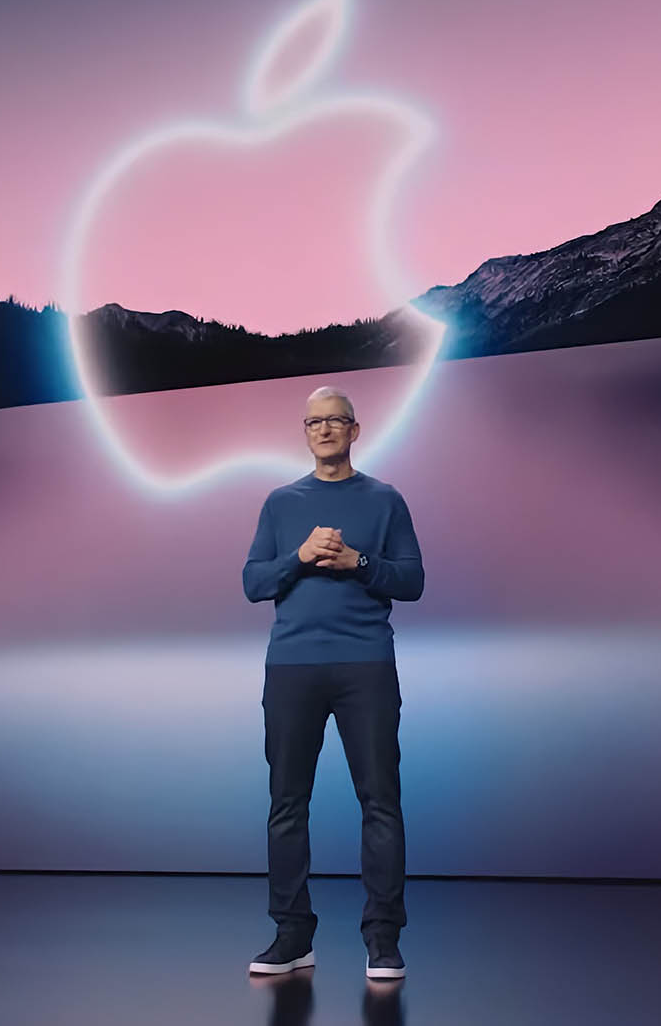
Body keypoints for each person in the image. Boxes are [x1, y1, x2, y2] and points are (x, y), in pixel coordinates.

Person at [242, 385, 424, 982]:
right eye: (313, 422)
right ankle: (293, 936)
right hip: (292, 666)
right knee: (286, 804)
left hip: (365, 664)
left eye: (335, 420)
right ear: (305, 432)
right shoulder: (280, 502)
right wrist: (299, 557)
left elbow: (412, 580)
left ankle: (383, 940)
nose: (324, 430)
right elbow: (253, 582)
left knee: (380, 801)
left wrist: (359, 564)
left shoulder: (385, 500)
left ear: (354, 430)